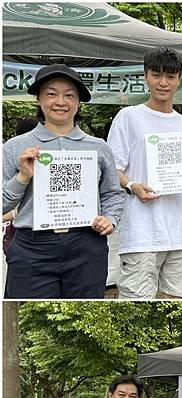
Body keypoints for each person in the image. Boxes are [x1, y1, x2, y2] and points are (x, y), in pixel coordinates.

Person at [3, 64, 124, 299]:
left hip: (86, 245)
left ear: (78, 102)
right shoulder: (15, 147)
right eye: (51, 93)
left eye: (69, 95)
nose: (61, 101)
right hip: (32, 248)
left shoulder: (98, 147)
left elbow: (112, 193)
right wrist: (23, 176)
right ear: (38, 99)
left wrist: (110, 219)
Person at [107, 47, 182, 300]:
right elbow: (112, 169)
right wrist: (133, 186)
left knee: (179, 302)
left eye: (170, 76)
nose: (163, 83)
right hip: (141, 232)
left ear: (179, 79)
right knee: (136, 303)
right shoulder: (128, 117)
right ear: (145, 76)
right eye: (157, 75)